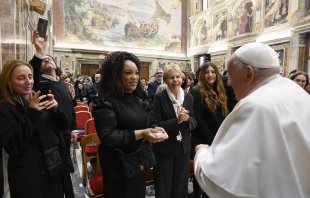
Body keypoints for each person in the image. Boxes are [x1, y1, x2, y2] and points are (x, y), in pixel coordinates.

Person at [194, 42, 310, 198]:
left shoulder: (255, 105)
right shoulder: (296, 91)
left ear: (248, 73)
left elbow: (218, 182)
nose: (228, 82)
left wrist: (201, 153)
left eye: (231, 75)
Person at [92, 51, 169, 198]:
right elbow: (108, 136)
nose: (135, 77)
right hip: (118, 165)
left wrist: (154, 129)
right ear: (116, 75)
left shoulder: (139, 98)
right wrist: (143, 133)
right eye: (128, 73)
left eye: (137, 73)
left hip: (139, 160)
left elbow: (146, 122)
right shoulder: (106, 101)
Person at [0, 60, 74, 198]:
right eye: (21, 78)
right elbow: (13, 145)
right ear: (8, 82)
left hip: (54, 166)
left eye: (30, 76)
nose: (28, 81)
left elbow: (64, 126)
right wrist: (32, 113)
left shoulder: (38, 98)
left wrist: (56, 109)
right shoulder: (4, 108)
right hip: (30, 177)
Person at [30, 30, 77, 158]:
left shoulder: (62, 83)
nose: (47, 60)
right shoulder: (39, 82)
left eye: (50, 59)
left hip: (66, 131)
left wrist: (73, 129)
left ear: (56, 65)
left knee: (66, 169)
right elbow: (32, 69)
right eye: (44, 60)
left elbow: (70, 108)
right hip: (52, 134)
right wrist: (40, 51)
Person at [152, 64, 197, 198]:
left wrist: (187, 118)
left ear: (182, 79)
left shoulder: (188, 98)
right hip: (164, 149)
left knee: (180, 185)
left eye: (178, 77)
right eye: (171, 77)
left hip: (183, 148)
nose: (175, 80)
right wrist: (176, 120)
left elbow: (194, 124)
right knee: (164, 185)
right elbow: (155, 124)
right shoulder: (160, 97)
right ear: (165, 80)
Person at [190, 62, 228, 198]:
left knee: (214, 173)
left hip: (218, 137)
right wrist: (212, 139)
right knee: (201, 173)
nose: (210, 75)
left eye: (213, 72)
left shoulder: (220, 90)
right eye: (207, 72)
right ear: (202, 75)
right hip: (203, 138)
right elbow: (199, 120)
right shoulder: (196, 91)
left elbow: (223, 115)